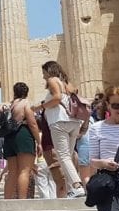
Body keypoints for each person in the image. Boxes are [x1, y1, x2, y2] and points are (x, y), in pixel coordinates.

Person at [36, 61, 86, 199]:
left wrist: (40, 107)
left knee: (63, 156)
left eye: (44, 73)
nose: (43, 77)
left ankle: (77, 186)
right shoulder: (67, 83)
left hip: (59, 121)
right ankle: (72, 189)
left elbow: (57, 98)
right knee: (68, 157)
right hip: (73, 122)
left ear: (49, 71)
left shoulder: (53, 80)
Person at [2, 82, 40, 200]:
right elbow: (32, 123)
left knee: (12, 171)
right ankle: (22, 200)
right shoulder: (25, 103)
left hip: (9, 137)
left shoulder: (10, 105)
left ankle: (7, 200)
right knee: (25, 170)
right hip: (23, 134)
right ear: (26, 92)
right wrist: (39, 142)